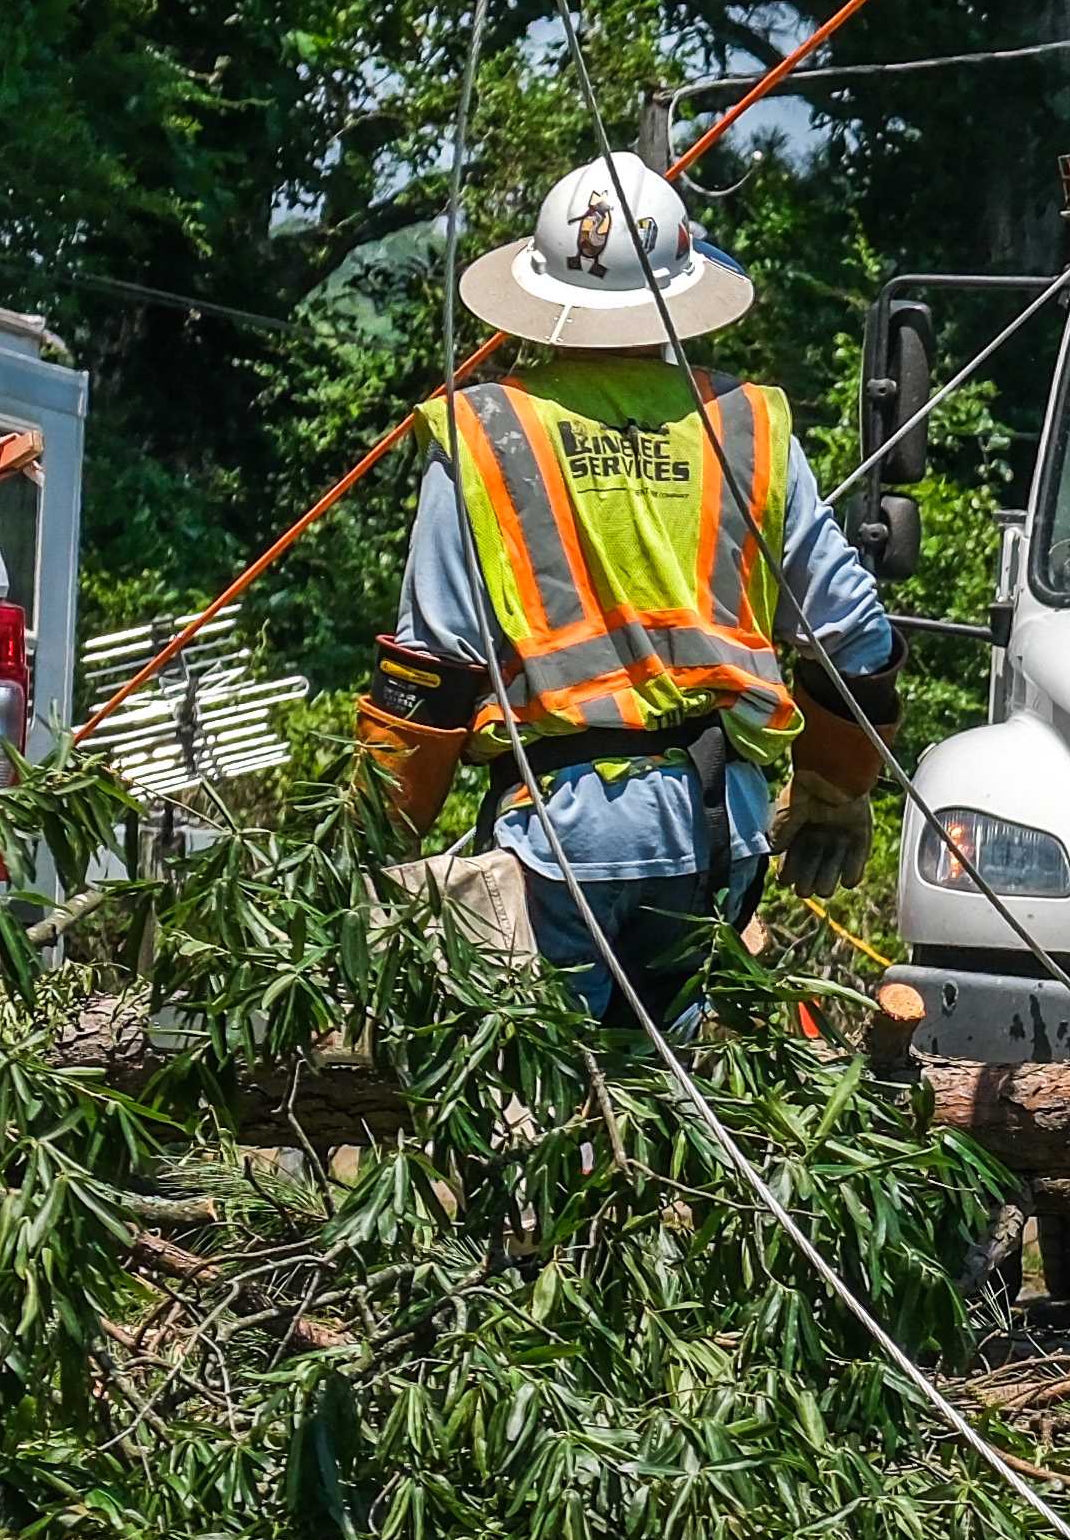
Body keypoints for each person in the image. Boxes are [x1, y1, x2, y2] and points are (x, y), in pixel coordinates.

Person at [354, 153, 912, 1039]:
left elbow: (432, 671)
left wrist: (369, 854)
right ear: (679, 289)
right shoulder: (746, 425)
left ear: (542, 293)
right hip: (713, 827)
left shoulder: (487, 431)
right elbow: (857, 636)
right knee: (671, 1110)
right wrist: (838, 784)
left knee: (538, 1114)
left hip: (559, 836)